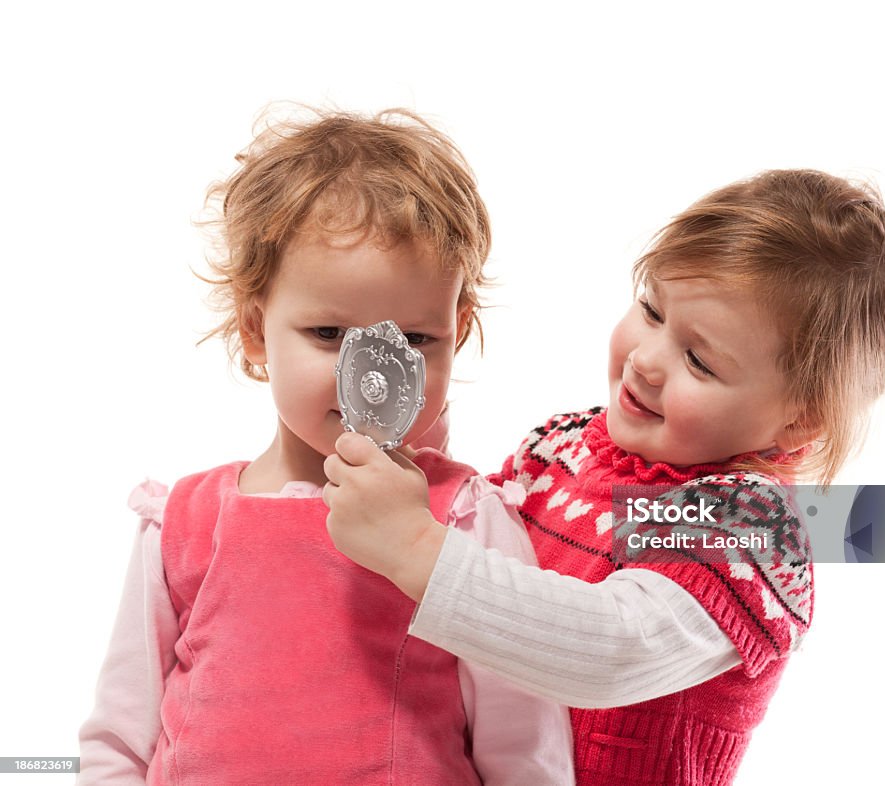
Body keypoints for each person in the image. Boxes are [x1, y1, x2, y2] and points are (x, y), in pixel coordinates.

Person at [323, 169, 885, 785]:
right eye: (652, 310)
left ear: (799, 419)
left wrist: (412, 547)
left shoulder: (744, 525)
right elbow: (476, 531)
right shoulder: (563, 446)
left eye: (700, 362)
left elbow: (610, 648)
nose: (647, 361)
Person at [77, 108, 574, 785]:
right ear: (256, 329)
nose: (370, 373)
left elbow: (525, 749)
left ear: (455, 331)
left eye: (415, 340)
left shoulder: (462, 519)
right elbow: (118, 739)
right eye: (328, 333)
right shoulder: (183, 523)